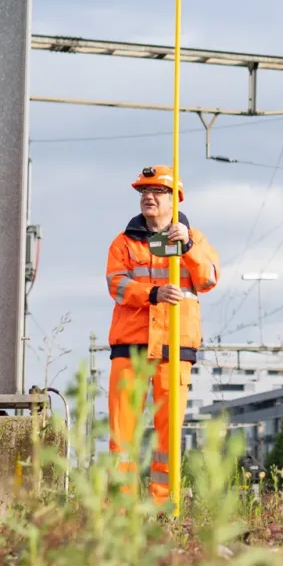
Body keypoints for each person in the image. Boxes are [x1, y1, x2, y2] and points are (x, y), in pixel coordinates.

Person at [105, 165, 220, 504]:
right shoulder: (123, 242)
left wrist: (186, 248)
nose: (148, 197)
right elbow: (116, 284)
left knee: (168, 432)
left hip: (174, 348)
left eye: (156, 191)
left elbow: (209, 279)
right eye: (143, 192)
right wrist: (151, 294)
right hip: (130, 347)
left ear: (175, 199)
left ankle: (162, 503)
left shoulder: (194, 239)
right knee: (122, 433)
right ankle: (120, 507)